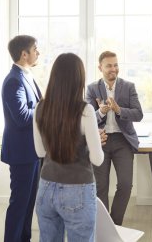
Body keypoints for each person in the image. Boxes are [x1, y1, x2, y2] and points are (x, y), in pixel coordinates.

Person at [33, 53, 104, 241]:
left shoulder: (40, 108)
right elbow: (98, 159)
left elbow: (40, 152)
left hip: (46, 187)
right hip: (77, 189)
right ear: (79, 78)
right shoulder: (85, 110)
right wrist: (94, 141)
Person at [86, 50, 143, 225]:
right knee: (100, 187)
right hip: (100, 141)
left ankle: (114, 224)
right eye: (109, 65)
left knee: (126, 185)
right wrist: (100, 111)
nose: (113, 69)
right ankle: (104, 227)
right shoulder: (92, 88)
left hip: (123, 141)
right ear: (100, 67)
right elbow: (86, 119)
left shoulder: (128, 86)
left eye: (116, 65)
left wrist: (119, 110)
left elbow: (138, 114)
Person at [1, 35, 42, 242]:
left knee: (28, 204)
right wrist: (44, 108)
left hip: (32, 151)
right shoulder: (14, 80)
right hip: (21, 154)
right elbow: (22, 117)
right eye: (35, 49)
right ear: (24, 54)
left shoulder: (27, 75)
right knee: (19, 205)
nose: (38, 52)